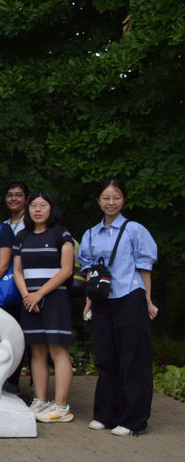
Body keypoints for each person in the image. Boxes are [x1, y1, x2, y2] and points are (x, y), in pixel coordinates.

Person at [78, 178, 157, 436]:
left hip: (130, 296)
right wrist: (88, 303)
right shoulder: (90, 234)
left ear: (123, 200)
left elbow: (144, 268)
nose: (111, 202)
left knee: (133, 359)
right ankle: (105, 414)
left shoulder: (135, 230)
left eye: (116, 197)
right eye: (106, 198)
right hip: (102, 301)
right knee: (105, 359)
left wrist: (147, 301)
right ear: (98, 200)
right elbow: (91, 273)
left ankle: (133, 421)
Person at [12, 191, 74, 423]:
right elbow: (17, 270)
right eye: (33, 205)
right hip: (30, 300)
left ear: (51, 208)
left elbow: (66, 270)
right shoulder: (23, 237)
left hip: (54, 298)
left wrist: (40, 293)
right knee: (36, 351)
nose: (37, 209)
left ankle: (61, 406)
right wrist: (28, 295)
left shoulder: (61, 234)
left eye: (43, 205)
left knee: (57, 350)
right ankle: (40, 400)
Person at [2, 181, 29, 394]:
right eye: (10, 195)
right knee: (8, 333)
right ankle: (10, 380)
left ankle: (33, 386)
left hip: (29, 287)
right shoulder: (3, 225)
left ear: (26, 199)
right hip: (6, 287)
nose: (13, 198)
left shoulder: (32, 223)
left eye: (18, 195)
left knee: (28, 337)